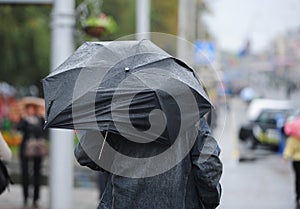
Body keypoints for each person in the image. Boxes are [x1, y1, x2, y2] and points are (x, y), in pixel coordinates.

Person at [75, 117, 222, 209]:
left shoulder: (118, 110)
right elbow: (208, 166)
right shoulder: (189, 111)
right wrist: (208, 201)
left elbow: (85, 155)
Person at [17, 104, 45, 209]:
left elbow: (44, 130)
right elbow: (18, 128)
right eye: (29, 108)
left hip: (37, 148)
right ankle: (25, 197)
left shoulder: (40, 119)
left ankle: (36, 198)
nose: (31, 110)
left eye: (32, 108)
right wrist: (23, 119)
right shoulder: (24, 120)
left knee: (37, 173)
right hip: (25, 148)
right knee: (25, 173)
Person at [283, 135, 300, 208]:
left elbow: (289, 149)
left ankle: (298, 197)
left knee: (298, 179)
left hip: (296, 161)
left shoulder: (293, 138)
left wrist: (285, 157)